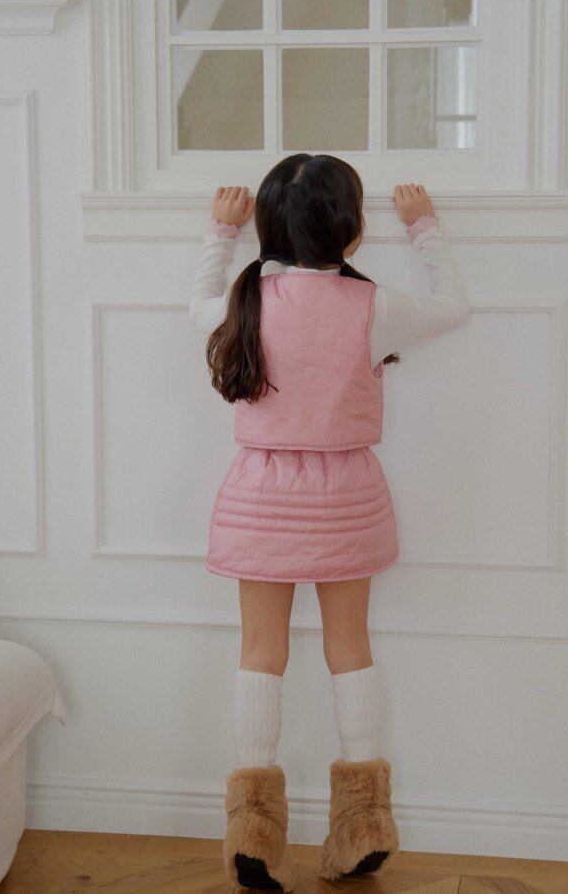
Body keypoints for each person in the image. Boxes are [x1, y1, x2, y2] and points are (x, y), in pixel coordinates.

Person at [188, 154, 471, 890]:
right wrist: (425, 228)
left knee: (260, 650)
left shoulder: (245, 301)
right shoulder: (372, 304)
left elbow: (197, 304)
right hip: (346, 494)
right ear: (351, 229)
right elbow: (453, 307)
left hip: (261, 495)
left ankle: (252, 832)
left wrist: (219, 234)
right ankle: (363, 825)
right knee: (351, 648)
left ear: (266, 225)